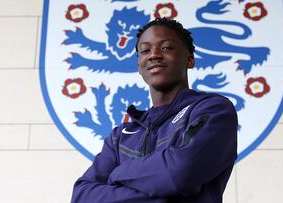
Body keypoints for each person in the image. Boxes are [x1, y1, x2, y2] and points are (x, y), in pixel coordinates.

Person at [71, 18, 238, 203]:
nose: (154, 55)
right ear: (139, 65)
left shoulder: (213, 110)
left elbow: (181, 172)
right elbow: (82, 196)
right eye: (145, 50)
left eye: (166, 47)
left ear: (189, 59)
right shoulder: (120, 137)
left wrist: (117, 174)